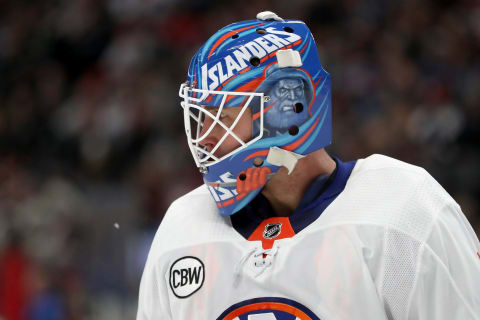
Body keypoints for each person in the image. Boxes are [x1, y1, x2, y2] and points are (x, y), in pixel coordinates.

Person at [137, 11, 480, 320]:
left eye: (222, 118)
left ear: (287, 109)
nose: (204, 140)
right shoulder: (183, 226)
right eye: (201, 119)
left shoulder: (405, 210)